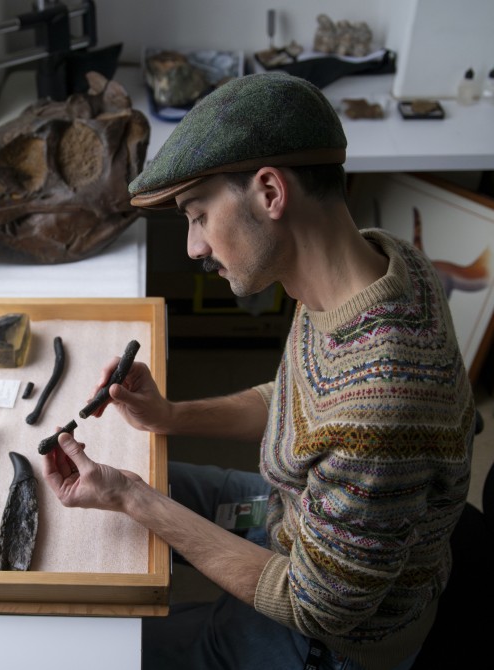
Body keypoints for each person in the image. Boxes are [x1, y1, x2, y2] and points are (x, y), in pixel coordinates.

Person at [41, 71, 475, 670]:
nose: (193, 248)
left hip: (323, 638)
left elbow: (313, 604)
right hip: (289, 510)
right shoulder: (382, 262)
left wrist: (135, 501)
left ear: (270, 193)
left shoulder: (383, 407)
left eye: (197, 215)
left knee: (103, 653)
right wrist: (171, 415)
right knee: (127, 487)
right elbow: (306, 399)